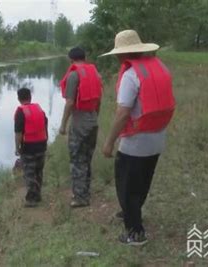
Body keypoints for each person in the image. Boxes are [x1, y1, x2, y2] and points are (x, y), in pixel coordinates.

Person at [100, 30, 175, 245]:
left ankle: (135, 233)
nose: (116, 57)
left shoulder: (131, 75)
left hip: (136, 142)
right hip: (158, 137)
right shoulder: (158, 67)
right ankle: (131, 212)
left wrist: (108, 142)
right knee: (142, 182)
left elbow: (123, 113)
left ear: (123, 54)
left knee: (126, 186)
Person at [59, 47, 103, 208]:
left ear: (70, 60)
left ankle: (80, 198)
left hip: (79, 124)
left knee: (77, 160)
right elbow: (98, 100)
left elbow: (70, 102)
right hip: (93, 121)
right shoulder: (95, 74)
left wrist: (63, 125)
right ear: (85, 57)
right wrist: (95, 117)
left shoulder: (73, 75)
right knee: (87, 159)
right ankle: (85, 191)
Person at [14, 88, 48, 207]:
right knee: (38, 171)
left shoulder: (20, 112)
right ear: (30, 97)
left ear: (18, 98)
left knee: (29, 173)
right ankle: (37, 195)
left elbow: (18, 133)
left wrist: (17, 148)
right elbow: (45, 125)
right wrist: (45, 141)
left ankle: (32, 199)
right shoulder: (39, 109)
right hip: (42, 145)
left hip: (28, 147)